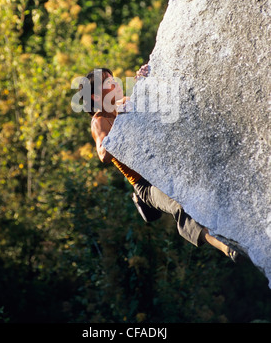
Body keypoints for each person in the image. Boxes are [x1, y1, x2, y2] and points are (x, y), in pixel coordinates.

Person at [79, 66, 238, 261]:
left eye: (113, 79)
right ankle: (226, 248)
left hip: (159, 168)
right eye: (106, 82)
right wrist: (120, 124)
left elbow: (150, 106)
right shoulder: (100, 120)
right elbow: (103, 154)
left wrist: (143, 81)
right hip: (145, 184)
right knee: (178, 204)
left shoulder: (124, 104)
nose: (114, 83)